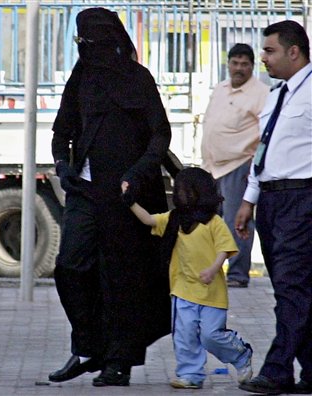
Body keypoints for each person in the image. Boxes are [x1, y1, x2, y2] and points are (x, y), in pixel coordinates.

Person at [48, 7, 172, 387]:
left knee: (122, 278)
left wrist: (137, 174)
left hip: (126, 197)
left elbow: (160, 134)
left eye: (86, 42)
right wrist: (62, 164)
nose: (82, 49)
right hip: (85, 191)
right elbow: (62, 130)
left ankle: (118, 360)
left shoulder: (139, 80)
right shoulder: (81, 78)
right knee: (70, 265)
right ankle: (88, 347)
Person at [236, 20, 312, 395]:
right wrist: (249, 199)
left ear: (293, 51)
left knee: (291, 288)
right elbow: (262, 150)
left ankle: (278, 370)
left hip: (302, 199)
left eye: (269, 51)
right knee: (293, 287)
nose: (262, 58)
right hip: (270, 200)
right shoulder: (277, 95)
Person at [128, 167, 253, 389]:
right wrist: (130, 202)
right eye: (179, 190)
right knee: (184, 336)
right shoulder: (174, 219)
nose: (182, 195)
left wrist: (213, 270)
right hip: (182, 291)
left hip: (211, 294)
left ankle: (240, 355)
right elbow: (149, 220)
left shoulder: (213, 222)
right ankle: (190, 374)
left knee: (210, 336)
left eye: (187, 191)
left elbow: (225, 248)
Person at [201, 43, 269, 288]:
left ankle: (238, 275)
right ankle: (210, 271)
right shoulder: (221, 88)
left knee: (236, 221)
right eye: (235, 63)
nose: (239, 68)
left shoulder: (261, 93)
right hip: (211, 167)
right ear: (227, 64)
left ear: (252, 66)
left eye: (244, 64)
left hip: (239, 165)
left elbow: (266, 133)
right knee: (209, 221)